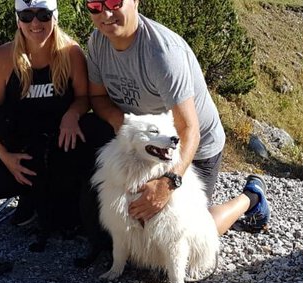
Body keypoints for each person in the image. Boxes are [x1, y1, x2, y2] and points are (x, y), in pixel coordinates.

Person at [83, 0, 271, 235]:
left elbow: (189, 129)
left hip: (195, 147)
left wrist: (167, 184)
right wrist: (121, 123)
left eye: (114, 2)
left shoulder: (162, 54)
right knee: (134, 228)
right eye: (95, 5)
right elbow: (98, 97)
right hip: (147, 142)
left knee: (188, 236)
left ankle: (250, 197)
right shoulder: (98, 41)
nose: (106, 13)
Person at [0, 0, 114, 234]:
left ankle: (62, 196)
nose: (35, 23)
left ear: (55, 16)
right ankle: (29, 195)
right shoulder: (2, 58)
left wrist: (72, 114)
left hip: (57, 140)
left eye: (43, 15)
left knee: (62, 223)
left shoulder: (70, 52)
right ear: (18, 20)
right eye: (27, 16)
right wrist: (5, 156)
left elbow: (84, 97)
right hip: (18, 140)